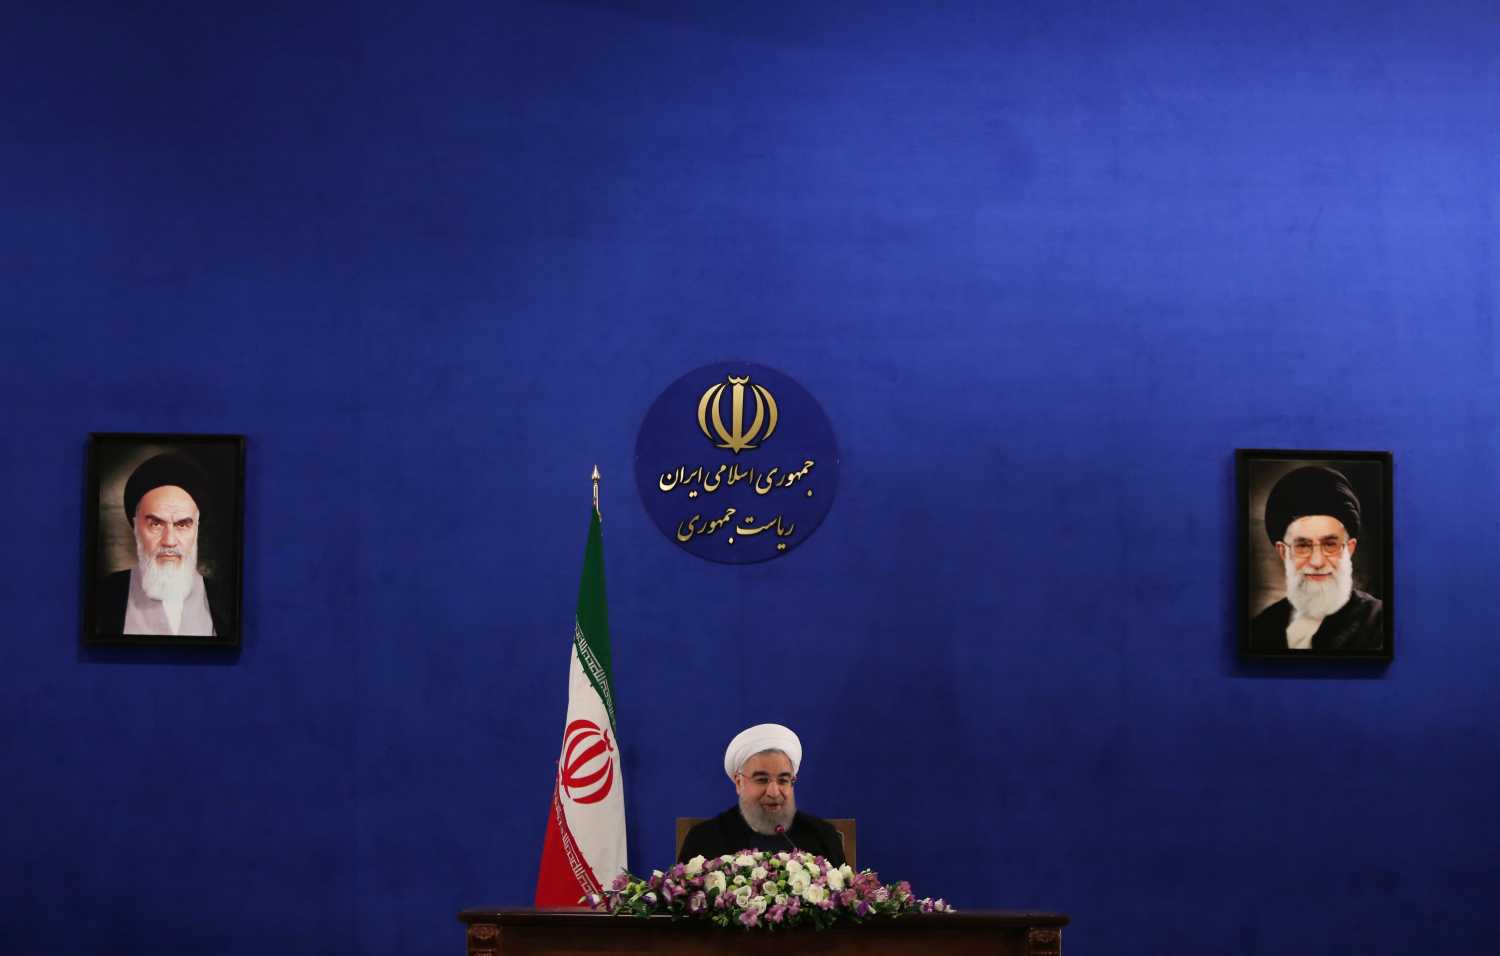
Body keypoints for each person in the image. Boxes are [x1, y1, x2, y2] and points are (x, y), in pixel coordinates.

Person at [1249, 465, 1383, 652]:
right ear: (1283, 552)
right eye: (1303, 546)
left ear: (1349, 548)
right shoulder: (1260, 629)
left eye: (1330, 545)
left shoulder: (1380, 623)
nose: (1317, 562)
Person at [96, 453, 227, 637]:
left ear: (196, 530)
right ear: (136, 528)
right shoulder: (102, 596)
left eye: (182, 525)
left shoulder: (225, 600)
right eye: (156, 524)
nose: (169, 541)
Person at [677, 723, 846, 865]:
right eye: (762, 780)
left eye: (783, 780)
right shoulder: (704, 840)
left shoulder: (822, 837)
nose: (773, 792)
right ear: (739, 782)